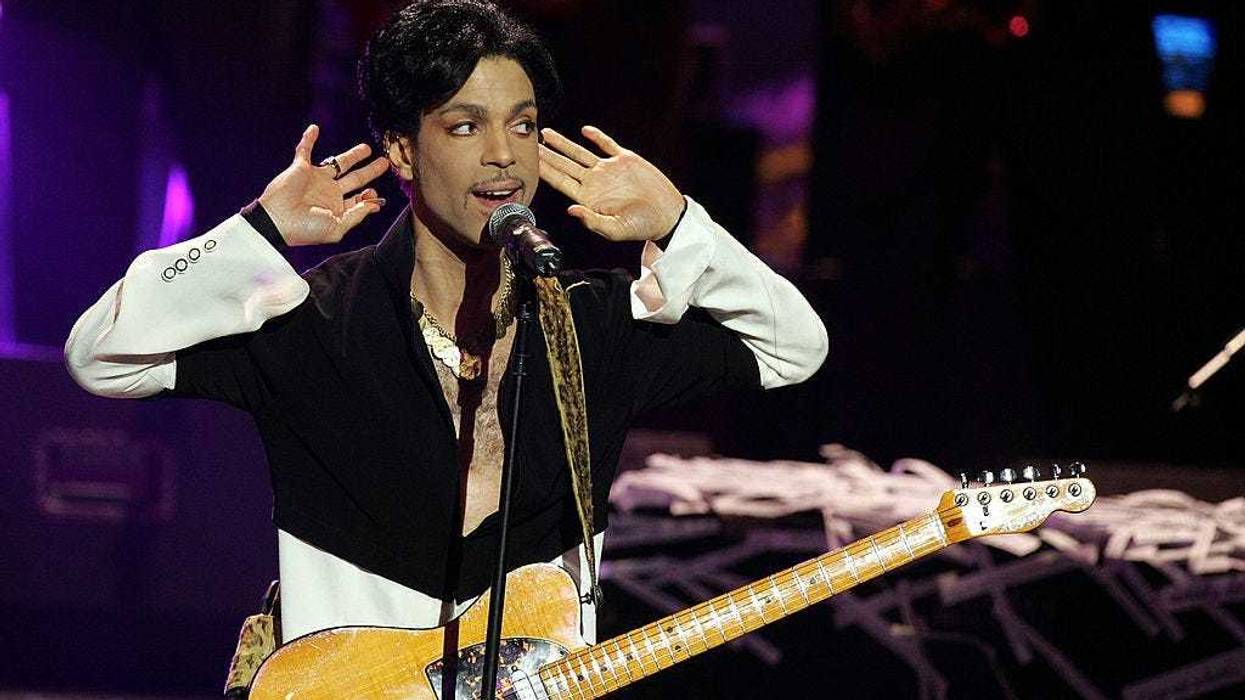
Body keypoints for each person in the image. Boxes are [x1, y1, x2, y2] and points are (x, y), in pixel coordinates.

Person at [64, 0, 827, 646]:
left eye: (522, 127)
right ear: (402, 149)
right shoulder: (314, 323)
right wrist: (257, 232)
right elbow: (100, 353)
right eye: (465, 128)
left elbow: (793, 347)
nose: (503, 158)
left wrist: (680, 223)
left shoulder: (590, 325)